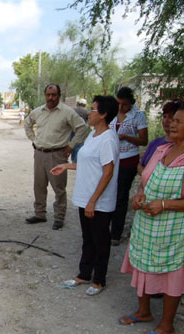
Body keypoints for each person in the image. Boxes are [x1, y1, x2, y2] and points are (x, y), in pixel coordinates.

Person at [118, 105, 184, 334]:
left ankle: (166, 326)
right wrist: (140, 195)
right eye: (171, 120)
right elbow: (146, 180)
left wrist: (164, 205)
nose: (171, 124)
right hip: (147, 220)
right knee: (142, 262)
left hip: (177, 228)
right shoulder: (162, 150)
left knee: (173, 273)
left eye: (179, 121)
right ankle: (143, 312)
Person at [51, 96, 119, 296]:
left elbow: (108, 172)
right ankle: (84, 273)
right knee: (87, 238)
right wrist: (66, 165)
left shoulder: (108, 139)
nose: (89, 113)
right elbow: (90, 164)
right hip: (86, 198)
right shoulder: (93, 135)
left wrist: (93, 201)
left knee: (100, 240)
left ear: (104, 114)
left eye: (94, 109)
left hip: (98, 202)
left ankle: (99, 280)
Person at [24, 83, 89, 230]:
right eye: (48, 95)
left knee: (59, 188)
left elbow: (82, 128)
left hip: (58, 155)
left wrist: (71, 146)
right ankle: (40, 214)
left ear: (59, 96)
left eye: (54, 95)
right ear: (45, 95)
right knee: (39, 186)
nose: (51, 98)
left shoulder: (67, 112)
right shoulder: (38, 111)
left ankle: (59, 217)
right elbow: (27, 124)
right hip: (40, 153)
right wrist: (34, 139)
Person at [109, 86, 148, 245]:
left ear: (130, 103)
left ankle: (116, 233)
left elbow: (143, 140)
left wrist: (126, 136)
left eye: (124, 104)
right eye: (118, 104)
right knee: (109, 191)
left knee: (121, 195)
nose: (121, 107)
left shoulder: (138, 116)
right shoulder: (111, 113)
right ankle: (106, 226)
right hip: (112, 157)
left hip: (128, 158)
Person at [138, 99, 184, 174]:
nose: (166, 120)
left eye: (171, 118)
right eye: (164, 116)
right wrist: (146, 176)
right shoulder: (155, 143)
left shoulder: (183, 147)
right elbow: (140, 165)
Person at [71, 98, 89, 163]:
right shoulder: (86, 111)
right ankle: (77, 160)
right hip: (81, 131)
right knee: (79, 146)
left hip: (73, 130)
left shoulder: (73, 110)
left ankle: (73, 159)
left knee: (73, 145)